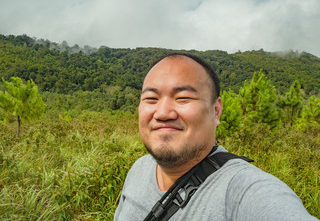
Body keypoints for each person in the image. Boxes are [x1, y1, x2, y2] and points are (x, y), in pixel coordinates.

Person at [114, 53, 318, 221]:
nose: (163, 113)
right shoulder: (139, 169)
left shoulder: (244, 191)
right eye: (151, 99)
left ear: (216, 111)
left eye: (183, 98)